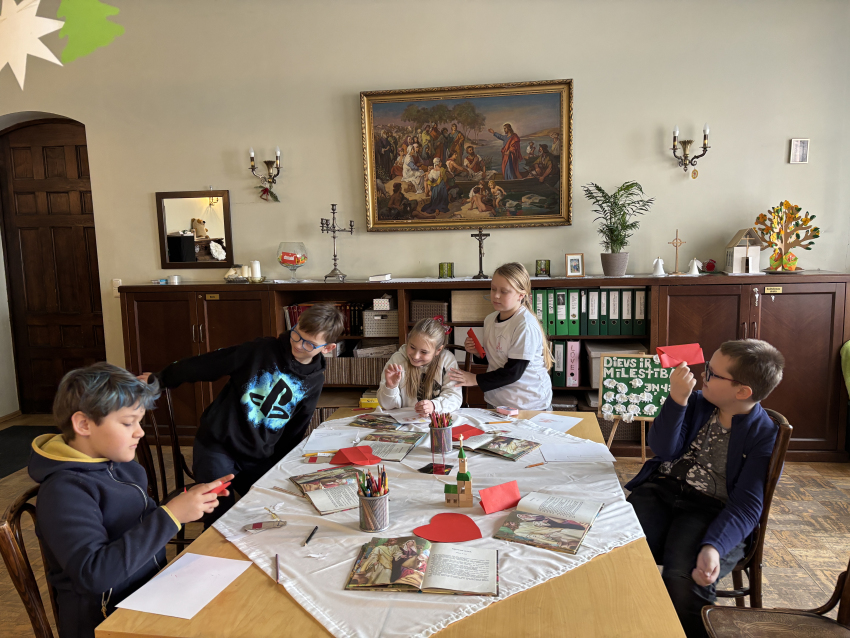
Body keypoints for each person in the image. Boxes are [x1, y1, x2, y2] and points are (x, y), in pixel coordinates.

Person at [29, 363, 232, 638]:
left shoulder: (124, 467)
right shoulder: (64, 492)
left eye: (139, 421)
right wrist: (171, 516)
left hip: (147, 595)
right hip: (103, 623)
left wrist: (188, 503)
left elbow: (140, 526)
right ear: (84, 424)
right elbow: (94, 574)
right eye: (128, 423)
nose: (140, 432)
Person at [624, 339, 785, 638]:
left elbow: (747, 506)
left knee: (686, 579)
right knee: (614, 553)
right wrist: (677, 400)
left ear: (742, 391)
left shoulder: (764, 435)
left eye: (712, 373)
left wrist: (714, 547)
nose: (703, 375)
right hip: (661, 492)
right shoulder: (697, 402)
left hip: (710, 510)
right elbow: (663, 449)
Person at [139, 303, 345, 524]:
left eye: (309, 344)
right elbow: (207, 364)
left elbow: (296, 427)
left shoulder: (315, 380)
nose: (297, 344)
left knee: (275, 510)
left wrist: (279, 466)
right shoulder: (261, 350)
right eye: (296, 335)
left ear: (328, 348)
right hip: (218, 446)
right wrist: (160, 379)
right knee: (219, 517)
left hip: (259, 455)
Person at [449, 262, 553, 410]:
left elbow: (513, 372)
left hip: (529, 405)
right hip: (497, 401)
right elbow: (496, 359)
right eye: (493, 289)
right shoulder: (490, 319)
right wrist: (478, 353)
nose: (496, 295)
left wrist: (474, 379)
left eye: (504, 291)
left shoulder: (525, 326)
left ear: (521, 295)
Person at [377, 317, 461, 416]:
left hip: (436, 419)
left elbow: (455, 397)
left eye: (424, 352)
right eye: (412, 347)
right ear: (408, 340)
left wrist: (434, 406)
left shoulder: (447, 360)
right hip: (405, 420)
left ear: (438, 350)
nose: (415, 356)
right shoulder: (397, 360)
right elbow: (388, 406)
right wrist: (390, 387)